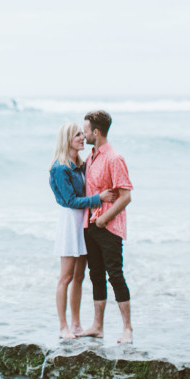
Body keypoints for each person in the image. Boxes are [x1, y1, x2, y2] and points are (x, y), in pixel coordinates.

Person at [49, 123, 118, 339]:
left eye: (82, 133)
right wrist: (99, 199)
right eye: (77, 135)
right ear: (67, 139)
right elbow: (69, 200)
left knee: (79, 276)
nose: (82, 137)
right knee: (66, 276)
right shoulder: (60, 168)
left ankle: (76, 324)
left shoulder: (80, 164)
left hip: (84, 221)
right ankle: (63, 326)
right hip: (71, 222)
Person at [78, 109, 134, 344]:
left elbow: (125, 196)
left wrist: (103, 219)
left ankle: (127, 329)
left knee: (115, 275)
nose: (83, 134)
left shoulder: (114, 158)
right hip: (89, 225)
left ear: (96, 132)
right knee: (96, 275)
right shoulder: (91, 157)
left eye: (86, 130)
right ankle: (97, 326)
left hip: (108, 227)